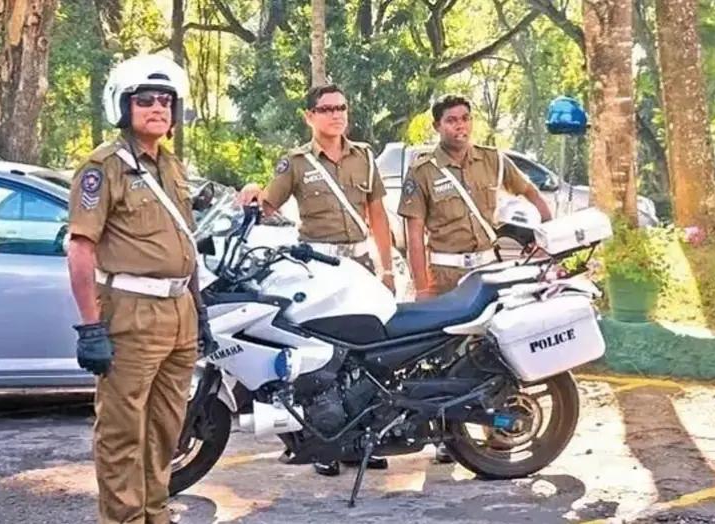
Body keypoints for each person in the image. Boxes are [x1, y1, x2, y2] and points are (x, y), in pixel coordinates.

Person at [66, 54, 215, 524]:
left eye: (165, 100)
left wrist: (199, 307)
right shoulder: (103, 167)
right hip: (131, 310)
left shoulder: (172, 166)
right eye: (146, 99)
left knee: (167, 427)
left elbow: (186, 242)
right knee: (122, 431)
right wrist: (91, 327)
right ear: (123, 105)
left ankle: (155, 513)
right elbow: (81, 247)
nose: (157, 107)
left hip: (178, 310)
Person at [236, 84, 395, 476]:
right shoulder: (295, 163)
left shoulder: (365, 157)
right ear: (310, 116)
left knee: (367, 356)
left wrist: (388, 269)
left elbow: (377, 215)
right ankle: (325, 442)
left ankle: (361, 441)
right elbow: (267, 206)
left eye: (341, 107)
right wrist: (252, 191)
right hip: (318, 269)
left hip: (359, 265)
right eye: (326, 109)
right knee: (324, 360)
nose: (336, 114)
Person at [397, 95, 553, 463]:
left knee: (491, 354)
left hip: (488, 273)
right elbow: (414, 235)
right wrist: (423, 287)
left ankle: (497, 431)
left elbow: (531, 193)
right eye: (452, 120)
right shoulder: (423, 171)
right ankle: (443, 436)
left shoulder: (493, 160)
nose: (460, 126)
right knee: (443, 358)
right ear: (437, 126)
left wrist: (548, 236)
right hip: (446, 275)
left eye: (465, 118)